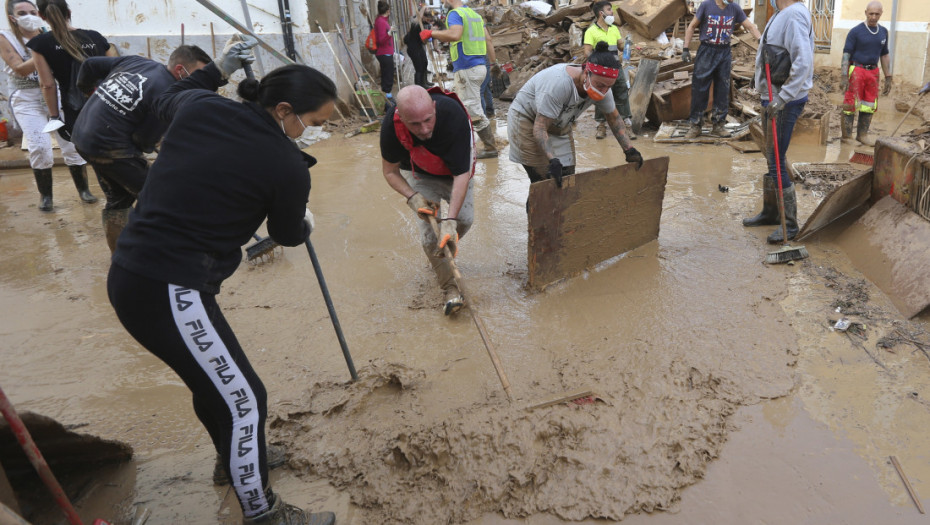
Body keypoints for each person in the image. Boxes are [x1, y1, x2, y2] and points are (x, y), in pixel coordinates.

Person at [106, 43, 338, 525]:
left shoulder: (202, 107)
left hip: (132, 273)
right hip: (171, 287)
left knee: (212, 384)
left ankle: (230, 462)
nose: (312, 133)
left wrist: (217, 70)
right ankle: (263, 513)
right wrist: (305, 219)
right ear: (283, 110)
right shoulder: (286, 165)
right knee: (245, 399)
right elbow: (288, 234)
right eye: (311, 124)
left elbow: (178, 89)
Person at [70, 45, 212, 252]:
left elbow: (90, 65)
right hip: (111, 149)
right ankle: (176, 254)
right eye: (198, 75)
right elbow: (142, 140)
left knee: (119, 199)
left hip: (82, 137)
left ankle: (119, 254)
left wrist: (88, 91)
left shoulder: (138, 62)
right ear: (181, 70)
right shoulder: (167, 95)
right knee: (164, 199)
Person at [380, 85, 475, 315]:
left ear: (434, 108)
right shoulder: (390, 129)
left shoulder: (453, 116)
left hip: (455, 172)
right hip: (418, 172)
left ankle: (443, 251)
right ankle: (450, 288)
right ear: (401, 118)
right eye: (414, 124)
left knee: (464, 220)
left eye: (428, 120)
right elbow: (390, 172)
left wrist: (450, 220)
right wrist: (413, 197)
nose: (423, 129)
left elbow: (461, 174)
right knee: (430, 237)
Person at [507, 41, 642, 190]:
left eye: (608, 87)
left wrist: (629, 149)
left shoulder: (603, 88)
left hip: (559, 122)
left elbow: (613, 118)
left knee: (567, 179)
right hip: (528, 119)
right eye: (600, 85)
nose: (603, 91)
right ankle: (538, 212)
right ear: (586, 73)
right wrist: (552, 160)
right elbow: (540, 127)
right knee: (543, 183)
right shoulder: (559, 85)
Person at [1, 0, 96, 211]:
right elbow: (20, 69)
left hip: (57, 93)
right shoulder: (5, 37)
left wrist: (50, 43)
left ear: (40, 14)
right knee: (40, 147)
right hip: (27, 98)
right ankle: (46, 196)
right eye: (22, 12)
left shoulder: (47, 33)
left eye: (32, 11)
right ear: (12, 18)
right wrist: (44, 48)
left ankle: (84, 190)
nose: (28, 15)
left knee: (72, 143)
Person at [742, 0, 813, 244]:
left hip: (784, 101)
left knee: (776, 160)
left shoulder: (793, 16)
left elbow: (803, 61)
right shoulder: (780, 14)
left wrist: (782, 98)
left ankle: (789, 224)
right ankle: (771, 213)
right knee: (772, 156)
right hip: (772, 97)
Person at [418, 0, 498, 159]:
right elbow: (488, 39)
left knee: (473, 110)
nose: (441, 2)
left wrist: (431, 33)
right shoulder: (474, 14)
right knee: (458, 103)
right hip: (479, 66)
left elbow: (454, 35)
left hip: (467, 66)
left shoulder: (455, 14)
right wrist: (494, 62)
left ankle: (490, 148)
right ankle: (460, 142)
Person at [26, 0, 117, 139]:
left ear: (41, 15)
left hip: (76, 108)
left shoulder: (41, 43)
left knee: (88, 149)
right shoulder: (95, 36)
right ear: (69, 13)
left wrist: (55, 117)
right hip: (108, 104)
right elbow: (114, 70)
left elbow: (47, 85)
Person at [682, 0, 761, 139]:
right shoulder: (706, 5)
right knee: (700, 89)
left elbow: (750, 26)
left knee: (722, 89)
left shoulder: (734, 8)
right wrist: (685, 48)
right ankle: (695, 126)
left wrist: (762, 41)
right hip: (707, 50)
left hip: (724, 52)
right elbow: (692, 26)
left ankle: (718, 126)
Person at [839, 1, 892, 146]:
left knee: (869, 104)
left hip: (873, 72)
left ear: (881, 13)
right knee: (850, 104)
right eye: (871, 14)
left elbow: (884, 54)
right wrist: (844, 75)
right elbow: (846, 54)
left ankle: (862, 135)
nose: (873, 17)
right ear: (865, 13)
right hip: (857, 70)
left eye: (877, 14)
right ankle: (847, 136)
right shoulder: (856, 32)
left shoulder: (883, 32)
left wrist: (888, 77)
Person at [583, 1, 634, 140]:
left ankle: (627, 125)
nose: (612, 12)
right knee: (601, 96)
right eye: (609, 10)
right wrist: (598, 59)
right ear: (601, 13)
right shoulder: (591, 31)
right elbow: (587, 52)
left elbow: (621, 46)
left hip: (616, 68)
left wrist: (627, 44)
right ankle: (601, 127)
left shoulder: (614, 29)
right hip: (599, 71)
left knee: (622, 92)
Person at [374, 0, 395, 108]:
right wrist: (389, 33)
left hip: (387, 52)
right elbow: (381, 39)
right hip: (384, 52)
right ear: (388, 11)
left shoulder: (382, 20)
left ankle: (388, 98)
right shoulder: (381, 22)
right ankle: (388, 101)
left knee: (387, 75)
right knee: (388, 76)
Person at [404, 5, 430, 88]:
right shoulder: (415, 23)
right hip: (413, 48)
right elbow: (419, 17)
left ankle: (424, 82)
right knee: (419, 67)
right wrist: (423, 8)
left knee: (425, 63)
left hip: (419, 47)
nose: (427, 20)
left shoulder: (423, 24)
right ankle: (419, 86)